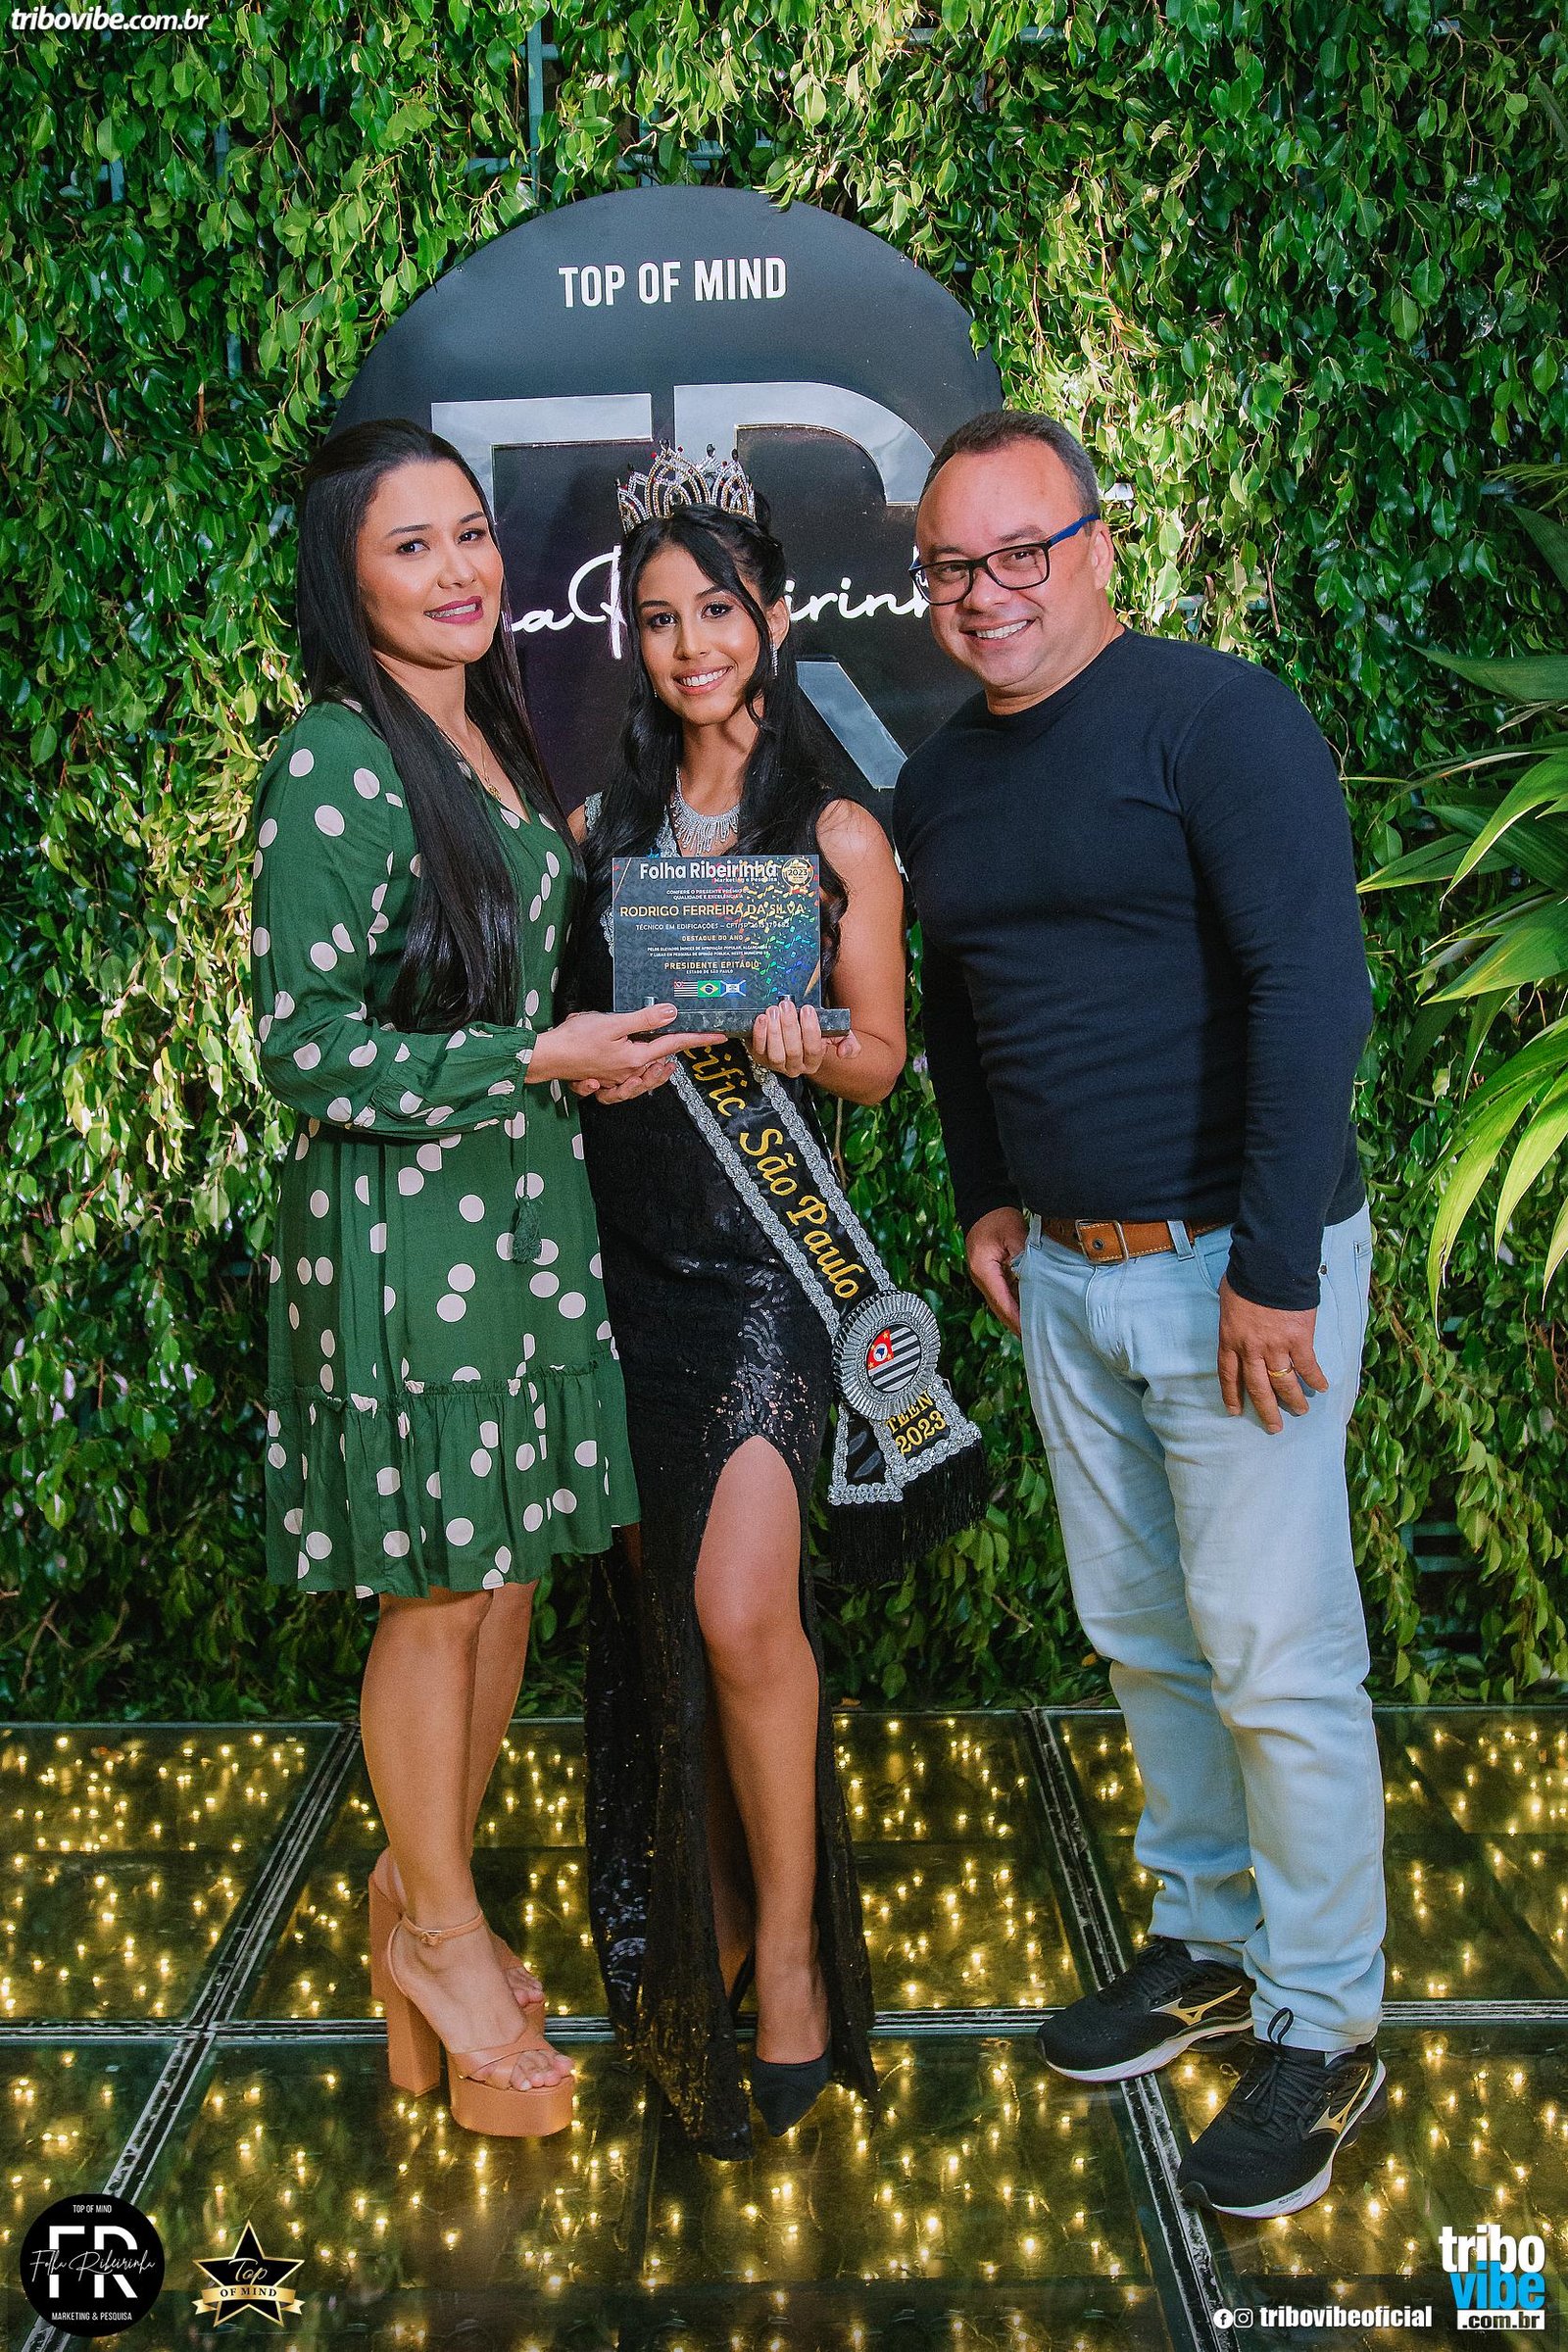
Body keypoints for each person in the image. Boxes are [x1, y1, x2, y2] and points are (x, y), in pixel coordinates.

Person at [894, 409, 1386, 2222]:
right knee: (1147, 1639)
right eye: (954, 566)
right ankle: (1210, 1939)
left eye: (1023, 551)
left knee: (1274, 1655)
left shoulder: (1219, 720)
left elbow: (1313, 989)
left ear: (1100, 547)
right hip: (1069, 1273)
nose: (989, 593)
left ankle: (1326, 2021)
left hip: (1234, 1269)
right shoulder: (941, 781)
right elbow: (960, 1009)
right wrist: (985, 1194)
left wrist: (1273, 1270)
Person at [251, 417, 704, 2138]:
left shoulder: (486, 733)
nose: (459, 571)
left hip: (516, 1209)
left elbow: (494, 993)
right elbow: (301, 1046)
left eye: (469, 534)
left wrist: (577, 1056)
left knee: (502, 1584)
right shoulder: (336, 757)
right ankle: (440, 1934)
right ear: (346, 576)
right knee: (440, 1595)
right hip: (406, 1234)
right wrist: (530, 1060)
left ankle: (415, 1900)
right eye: (411, 546)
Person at [571, 448, 909, 2156]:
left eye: (717, 608)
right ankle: (700, 1927)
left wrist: (809, 1045)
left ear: (773, 614)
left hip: (768, 1282)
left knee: (744, 1618)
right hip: (627, 1277)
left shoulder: (836, 834)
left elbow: (883, 1059)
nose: (692, 644)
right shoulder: (601, 835)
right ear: (631, 640)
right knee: (664, 1634)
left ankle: (789, 1962)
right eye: (658, 618)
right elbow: (567, 1055)